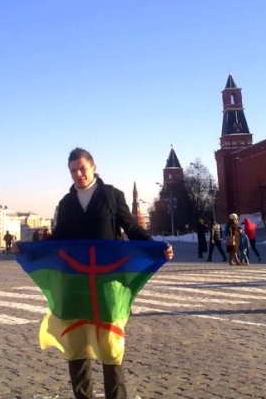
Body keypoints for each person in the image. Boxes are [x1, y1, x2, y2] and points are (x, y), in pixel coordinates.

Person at [39, 147, 173, 399]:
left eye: (82, 168)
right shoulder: (66, 204)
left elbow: (131, 227)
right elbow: (59, 238)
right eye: (72, 171)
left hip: (108, 281)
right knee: (76, 343)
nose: (78, 174)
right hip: (75, 283)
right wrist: (31, 249)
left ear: (93, 167)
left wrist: (156, 247)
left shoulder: (111, 196)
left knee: (111, 344)